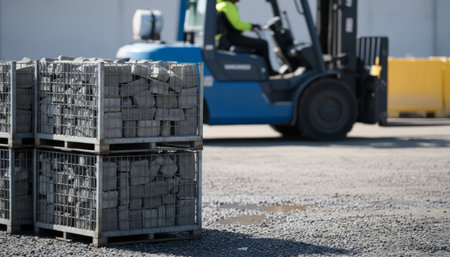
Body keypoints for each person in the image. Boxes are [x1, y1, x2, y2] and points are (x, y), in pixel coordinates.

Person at [216, 0, 277, 75]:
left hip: (228, 38)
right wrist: (251, 26)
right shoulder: (227, 5)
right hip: (233, 38)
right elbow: (237, 24)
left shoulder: (220, 5)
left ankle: (259, 71)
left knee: (257, 46)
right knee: (263, 44)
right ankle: (269, 72)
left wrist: (250, 27)